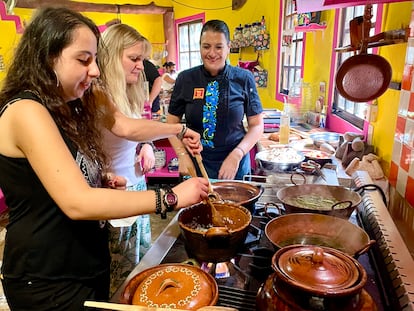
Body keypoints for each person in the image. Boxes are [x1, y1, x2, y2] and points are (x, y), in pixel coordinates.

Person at [0, 7, 209, 311]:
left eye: (95, 59)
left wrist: (99, 179)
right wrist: (171, 197)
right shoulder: (26, 111)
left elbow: (57, 180)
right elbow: (76, 202)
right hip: (46, 277)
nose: (95, 70)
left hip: (81, 264)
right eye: (84, 60)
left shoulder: (65, 106)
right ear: (47, 57)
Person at [97, 23, 159, 296]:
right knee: (118, 275)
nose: (140, 66)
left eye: (142, 59)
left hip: (137, 186)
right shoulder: (98, 93)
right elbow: (125, 128)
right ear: (111, 58)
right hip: (113, 193)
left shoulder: (130, 91)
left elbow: (138, 129)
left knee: (136, 266)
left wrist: (145, 145)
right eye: (133, 59)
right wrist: (178, 130)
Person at [167, 19, 264, 180]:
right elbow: (171, 124)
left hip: (235, 164)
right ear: (200, 47)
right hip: (196, 163)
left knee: (236, 206)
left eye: (218, 47)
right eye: (206, 46)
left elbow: (257, 125)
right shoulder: (185, 79)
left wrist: (237, 154)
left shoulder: (244, 78)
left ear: (228, 47)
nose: (212, 53)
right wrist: (182, 154)